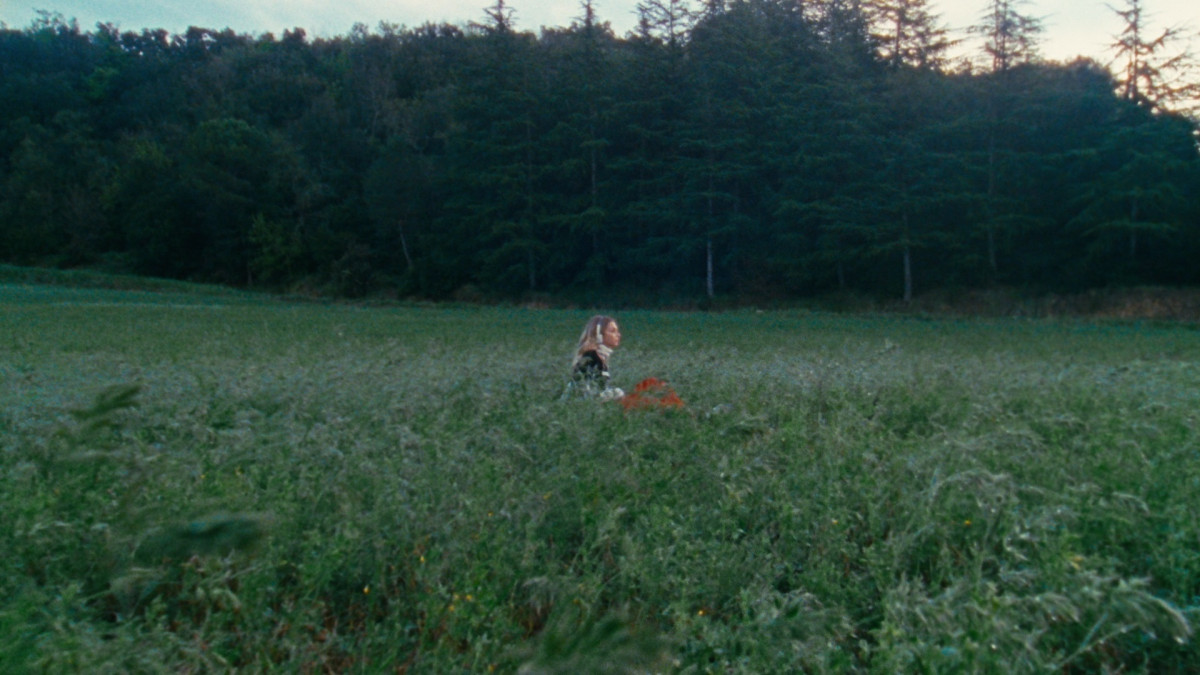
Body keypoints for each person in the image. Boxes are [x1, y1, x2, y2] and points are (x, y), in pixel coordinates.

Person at [564, 315, 625, 401]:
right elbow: (590, 393)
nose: (618, 335)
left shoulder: (598, 358)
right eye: (612, 331)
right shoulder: (590, 358)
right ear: (599, 335)